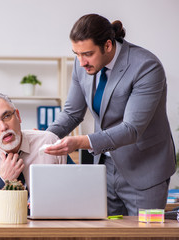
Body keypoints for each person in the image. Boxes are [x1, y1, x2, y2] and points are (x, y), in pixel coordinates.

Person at [45, 14, 176, 216]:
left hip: (144, 169)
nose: (81, 62)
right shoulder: (83, 65)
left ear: (108, 45)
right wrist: (44, 138)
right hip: (104, 168)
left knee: (144, 236)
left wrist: (79, 142)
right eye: (76, 54)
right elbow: (71, 113)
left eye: (87, 54)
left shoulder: (146, 66)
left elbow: (131, 129)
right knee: (105, 233)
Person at [0, 93, 68, 191]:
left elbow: (73, 191)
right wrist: (2, 180)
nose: (3, 127)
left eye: (7, 116)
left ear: (18, 116)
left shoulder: (50, 141)